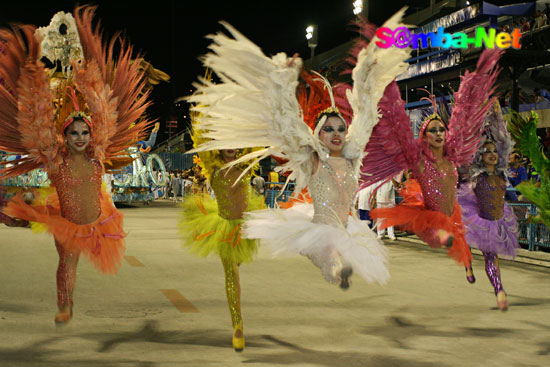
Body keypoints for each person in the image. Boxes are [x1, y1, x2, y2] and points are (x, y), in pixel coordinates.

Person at [187, 10, 412, 291]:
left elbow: (365, 115)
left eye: (340, 128)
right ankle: (334, 268)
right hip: (317, 229)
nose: (336, 134)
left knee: (340, 254)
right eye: (328, 130)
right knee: (329, 259)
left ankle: (337, 268)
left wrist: (366, 76)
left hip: (348, 228)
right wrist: (285, 82)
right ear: (318, 135)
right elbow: (288, 122)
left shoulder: (353, 156)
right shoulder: (313, 158)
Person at [0, 6, 152, 324]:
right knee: (67, 262)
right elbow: (39, 120)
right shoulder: (55, 160)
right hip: (67, 223)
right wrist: (39, 80)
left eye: (85, 132)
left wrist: (85, 76)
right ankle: (65, 305)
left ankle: (68, 299)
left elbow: (103, 113)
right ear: (64, 137)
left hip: (97, 221)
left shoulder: (98, 154)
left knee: (75, 262)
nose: (81, 137)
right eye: (74, 133)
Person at [362, 49, 503, 284]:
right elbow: (397, 132)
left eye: (441, 129)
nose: (438, 133)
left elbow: (464, 123)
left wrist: (474, 92)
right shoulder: (419, 161)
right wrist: (386, 85)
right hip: (430, 223)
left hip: (452, 213)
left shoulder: (452, 158)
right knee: (447, 236)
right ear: (424, 135)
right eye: (432, 130)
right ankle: (459, 253)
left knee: (462, 237)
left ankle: (468, 266)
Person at [179, 126, 264, 351]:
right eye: (225, 142)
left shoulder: (246, 166)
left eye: (235, 142)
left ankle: (238, 322)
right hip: (224, 228)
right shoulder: (213, 169)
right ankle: (238, 325)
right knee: (232, 274)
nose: (231, 147)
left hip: (245, 227)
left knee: (237, 264)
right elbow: (201, 139)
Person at [457, 103, 519, 311]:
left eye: (494, 151)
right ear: (479, 156)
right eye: (487, 151)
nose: (492, 153)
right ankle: (499, 290)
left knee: (495, 257)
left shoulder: (501, 171)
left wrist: (498, 115)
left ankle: (478, 271)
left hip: (501, 220)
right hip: (482, 224)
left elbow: (503, 143)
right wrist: (471, 118)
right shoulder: (476, 174)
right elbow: (467, 149)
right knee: (490, 256)